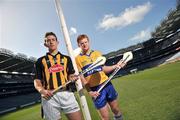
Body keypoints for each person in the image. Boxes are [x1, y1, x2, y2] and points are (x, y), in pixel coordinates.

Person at [75, 34, 126, 120]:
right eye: (81, 43)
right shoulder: (77, 59)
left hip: (107, 84)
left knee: (116, 110)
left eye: (85, 42)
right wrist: (89, 92)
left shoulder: (97, 53)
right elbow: (82, 78)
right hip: (96, 90)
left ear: (89, 42)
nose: (84, 44)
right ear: (79, 45)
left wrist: (116, 66)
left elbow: (103, 69)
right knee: (105, 117)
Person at [34, 32, 82, 120]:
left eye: (53, 40)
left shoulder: (66, 59)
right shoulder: (40, 61)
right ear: (45, 44)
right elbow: (37, 81)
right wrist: (42, 90)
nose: (51, 42)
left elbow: (70, 75)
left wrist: (72, 77)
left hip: (67, 94)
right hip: (49, 97)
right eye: (48, 41)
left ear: (57, 42)